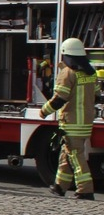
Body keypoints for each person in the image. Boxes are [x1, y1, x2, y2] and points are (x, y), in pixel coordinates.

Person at [41, 38, 96, 200]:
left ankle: (85, 190)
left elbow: (59, 99)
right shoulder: (90, 72)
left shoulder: (68, 73)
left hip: (72, 123)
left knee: (75, 156)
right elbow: (97, 94)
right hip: (85, 123)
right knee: (66, 153)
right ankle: (60, 186)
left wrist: (44, 111)